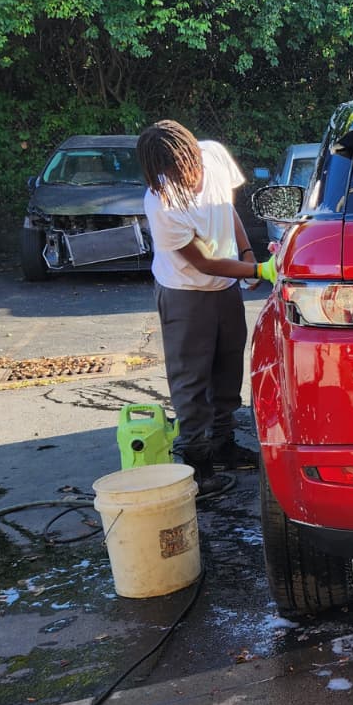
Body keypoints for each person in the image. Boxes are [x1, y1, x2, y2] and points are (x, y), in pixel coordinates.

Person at [136, 120, 276, 484]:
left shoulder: (213, 154)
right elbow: (203, 262)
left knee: (228, 371)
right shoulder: (161, 201)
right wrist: (259, 269)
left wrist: (246, 255)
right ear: (163, 171)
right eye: (178, 171)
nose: (191, 174)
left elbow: (227, 208)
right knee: (191, 378)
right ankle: (197, 458)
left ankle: (224, 445)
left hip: (225, 286)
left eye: (192, 164)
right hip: (185, 292)